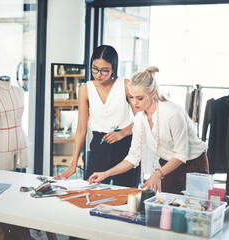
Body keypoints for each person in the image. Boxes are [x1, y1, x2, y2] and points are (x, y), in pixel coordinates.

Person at [88, 66, 209, 194]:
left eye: (139, 98)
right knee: (167, 208)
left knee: (196, 209)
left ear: (153, 94)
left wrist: (158, 173)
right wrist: (106, 174)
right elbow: (133, 157)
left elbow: (181, 154)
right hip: (168, 164)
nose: (134, 103)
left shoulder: (172, 113)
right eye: (131, 97)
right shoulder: (140, 119)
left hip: (193, 163)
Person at [54, 45, 141, 188]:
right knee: (92, 191)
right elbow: (81, 129)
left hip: (126, 145)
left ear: (113, 68)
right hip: (100, 146)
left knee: (125, 194)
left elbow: (141, 119)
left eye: (104, 70)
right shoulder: (85, 89)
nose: (98, 74)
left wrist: (122, 133)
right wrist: (73, 164)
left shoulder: (125, 85)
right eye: (95, 68)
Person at [0, 75, 29, 171]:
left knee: (22, 178)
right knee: (5, 177)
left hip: (21, 140)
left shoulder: (20, 91)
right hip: (4, 141)